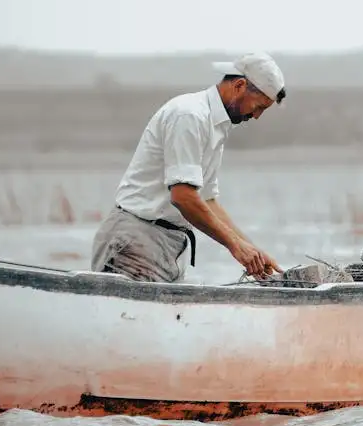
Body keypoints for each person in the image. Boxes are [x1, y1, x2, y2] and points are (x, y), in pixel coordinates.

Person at [90, 51, 287, 283]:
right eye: (259, 106)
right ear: (239, 86)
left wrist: (251, 250)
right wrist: (235, 246)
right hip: (137, 238)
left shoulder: (216, 126)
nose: (257, 116)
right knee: (129, 308)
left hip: (168, 244)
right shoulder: (189, 116)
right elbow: (183, 197)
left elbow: (207, 200)